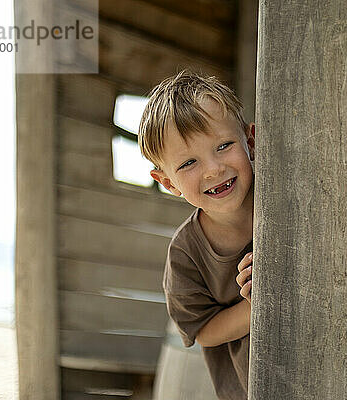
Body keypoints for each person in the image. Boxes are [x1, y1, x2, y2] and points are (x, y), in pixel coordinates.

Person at [137, 70, 255, 400]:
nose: (213, 169)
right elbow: (202, 331)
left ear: (251, 142)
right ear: (168, 182)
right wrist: (257, 305)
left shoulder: (284, 205)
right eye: (189, 162)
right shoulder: (185, 254)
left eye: (224, 145)